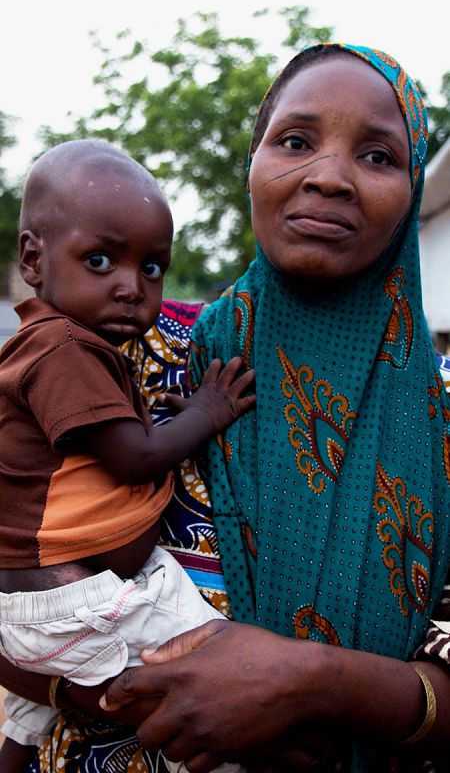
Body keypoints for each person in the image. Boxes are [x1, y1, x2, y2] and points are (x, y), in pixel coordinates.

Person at [0, 42, 449, 773]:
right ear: (254, 165)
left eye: (378, 156)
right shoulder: (126, 350)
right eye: (296, 141)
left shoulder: (443, 414)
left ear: (413, 186)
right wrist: (108, 693)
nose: (329, 178)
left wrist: (314, 681)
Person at [0, 140, 254, 772]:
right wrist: (206, 409)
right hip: (78, 598)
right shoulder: (63, 348)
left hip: (52, 605)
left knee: (32, 711)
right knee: (213, 670)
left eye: (151, 268)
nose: (131, 289)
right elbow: (135, 459)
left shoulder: (62, 347)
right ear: (33, 258)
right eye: (99, 259)